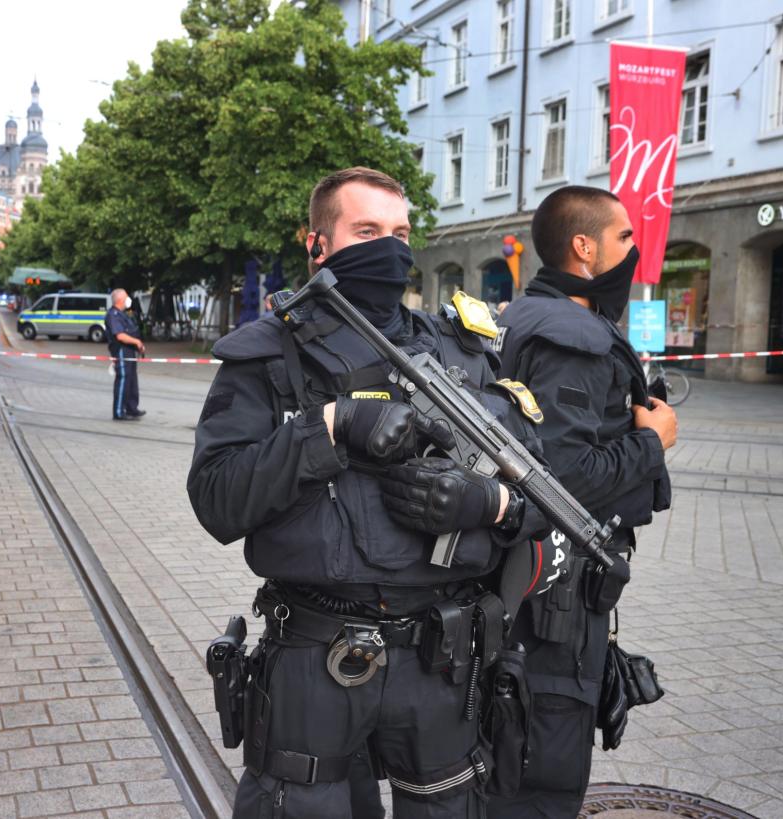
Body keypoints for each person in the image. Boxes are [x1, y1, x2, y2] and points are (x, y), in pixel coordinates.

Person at [188, 167, 549, 819]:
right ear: (316, 245)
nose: (390, 247)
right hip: (313, 658)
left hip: (442, 664)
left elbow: (541, 498)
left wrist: (483, 503)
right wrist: (330, 426)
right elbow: (216, 497)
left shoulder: (460, 350)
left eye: (400, 232)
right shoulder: (269, 354)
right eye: (366, 231)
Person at [487, 186, 675, 819]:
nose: (635, 249)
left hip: (520, 578)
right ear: (583, 247)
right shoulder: (572, 335)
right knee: (544, 766)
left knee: (505, 742)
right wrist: (652, 444)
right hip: (555, 599)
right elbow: (562, 476)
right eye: (625, 237)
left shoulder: (519, 315)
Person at [106, 289, 145, 420]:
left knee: (132, 380)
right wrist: (137, 342)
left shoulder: (123, 314)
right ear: (120, 300)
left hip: (129, 350)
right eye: (127, 297)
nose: (129, 299)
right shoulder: (113, 315)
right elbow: (120, 335)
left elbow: (131, 331)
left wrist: (137, 344)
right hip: (121, 351)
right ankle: (118, 411)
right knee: (123, 379)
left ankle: (131, 408)